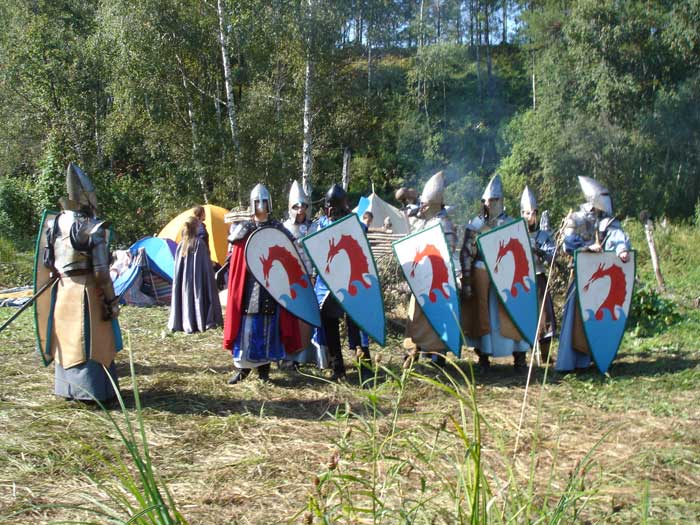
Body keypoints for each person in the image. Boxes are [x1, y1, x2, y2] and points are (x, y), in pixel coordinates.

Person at [40, 163, 122, 402]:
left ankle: (68, 389)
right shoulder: (92, 227)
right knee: (90, 342)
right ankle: (92, 391)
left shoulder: (54, 223)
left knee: (67, 341)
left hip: (63, 290)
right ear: (88, 197)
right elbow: (101, 273)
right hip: (88, 292)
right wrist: (111, 301)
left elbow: (48, 263)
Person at [223, 183, 300, 384]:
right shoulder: (245, 227)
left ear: (269, 204)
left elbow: (290, 248)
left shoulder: (276, 227)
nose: (260, 206)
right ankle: (243, 370)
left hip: (272, 287)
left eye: (264, 202)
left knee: (269, 329)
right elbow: (234, 252)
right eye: (257, 202)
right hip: (249, 286)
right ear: (252, 204)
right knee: (248, 328)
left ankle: (264, 373)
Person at [556, 176, 631, 372]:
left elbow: (618, 238)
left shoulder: (608, 222)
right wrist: (587, 247)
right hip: (581, 274)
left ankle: (597, 357)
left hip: (602, 278)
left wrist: (622, 250)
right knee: (577, 319)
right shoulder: (576, 218)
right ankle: (575, 361)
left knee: (599, 316)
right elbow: (567, 244)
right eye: (602, 196)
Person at [460, 174, 530, 371]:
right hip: (481, 273)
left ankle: (519, 356)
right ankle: (483, 357)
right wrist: (467, 281)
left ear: (501, 200)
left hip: (507, 276)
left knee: (511, 312)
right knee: (481, 315)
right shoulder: (476, 225)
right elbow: (467, 254)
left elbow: (522, 254)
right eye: (486, 200)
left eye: (493, 200)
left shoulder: (512, 224)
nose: (489, 203)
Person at [312, 184, 372, 383]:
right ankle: (338, 368)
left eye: (334, 206)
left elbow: (362, 234)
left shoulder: (353, 223)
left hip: (351, 280)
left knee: (356, 321)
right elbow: (315, 248)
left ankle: (365, 367)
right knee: (328, 322)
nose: (331, 210)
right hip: (327, 282)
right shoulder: (321, 223)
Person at [404, 171, 458, 368]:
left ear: (435, 204)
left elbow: (449, 251)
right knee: (415, 317)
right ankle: (413, 351)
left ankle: (437, 354)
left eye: (426, 204)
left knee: (437, 318)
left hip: (437, 279)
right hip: (421, 278)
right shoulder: (425, 221)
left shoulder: (443, 223)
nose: (423, 207)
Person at [281, 180, 327, 369]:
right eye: (296, 206)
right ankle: (289, 357)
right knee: (291, 319)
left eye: (303, 206)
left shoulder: (314, 227)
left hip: (310, 278)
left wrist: (314, 274)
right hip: (291, 280)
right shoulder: (283, 228)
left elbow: (319, 253)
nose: (300, 210)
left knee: (308, 318)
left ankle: (307, 356)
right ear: (290, 208)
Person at [520, 186, 557, 363]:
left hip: (538, 276)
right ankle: (520, 357)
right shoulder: (516, 233)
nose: (530, 216)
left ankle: (545, 355)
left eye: (533, 212)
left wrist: (540, 252)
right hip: (520, 280)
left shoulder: (543, 235)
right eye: (527, 213)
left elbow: (552, 256)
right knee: (521, 315)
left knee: (544, 316)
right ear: (522, 213)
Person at [168, 216, 222, 333]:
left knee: (187, 295)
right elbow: (205, 268)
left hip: (185, 282)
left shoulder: (181, 244)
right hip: (198, 281)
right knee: (198, 294)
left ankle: (185, 321)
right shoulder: (199, 244)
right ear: (196, 227)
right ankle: (198, 321)